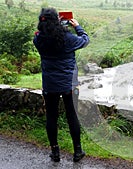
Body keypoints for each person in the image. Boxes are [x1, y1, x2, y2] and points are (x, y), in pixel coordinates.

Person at [33, 8, 89, 162]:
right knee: (72, 116)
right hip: (68, 85)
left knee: (51, 117)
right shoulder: (68, 38)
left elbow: (39, 36)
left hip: (49, 84)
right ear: (57, 21)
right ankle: (77, 151)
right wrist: (77, 26)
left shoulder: (38, 39)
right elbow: (85, 40)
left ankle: (55, 152)